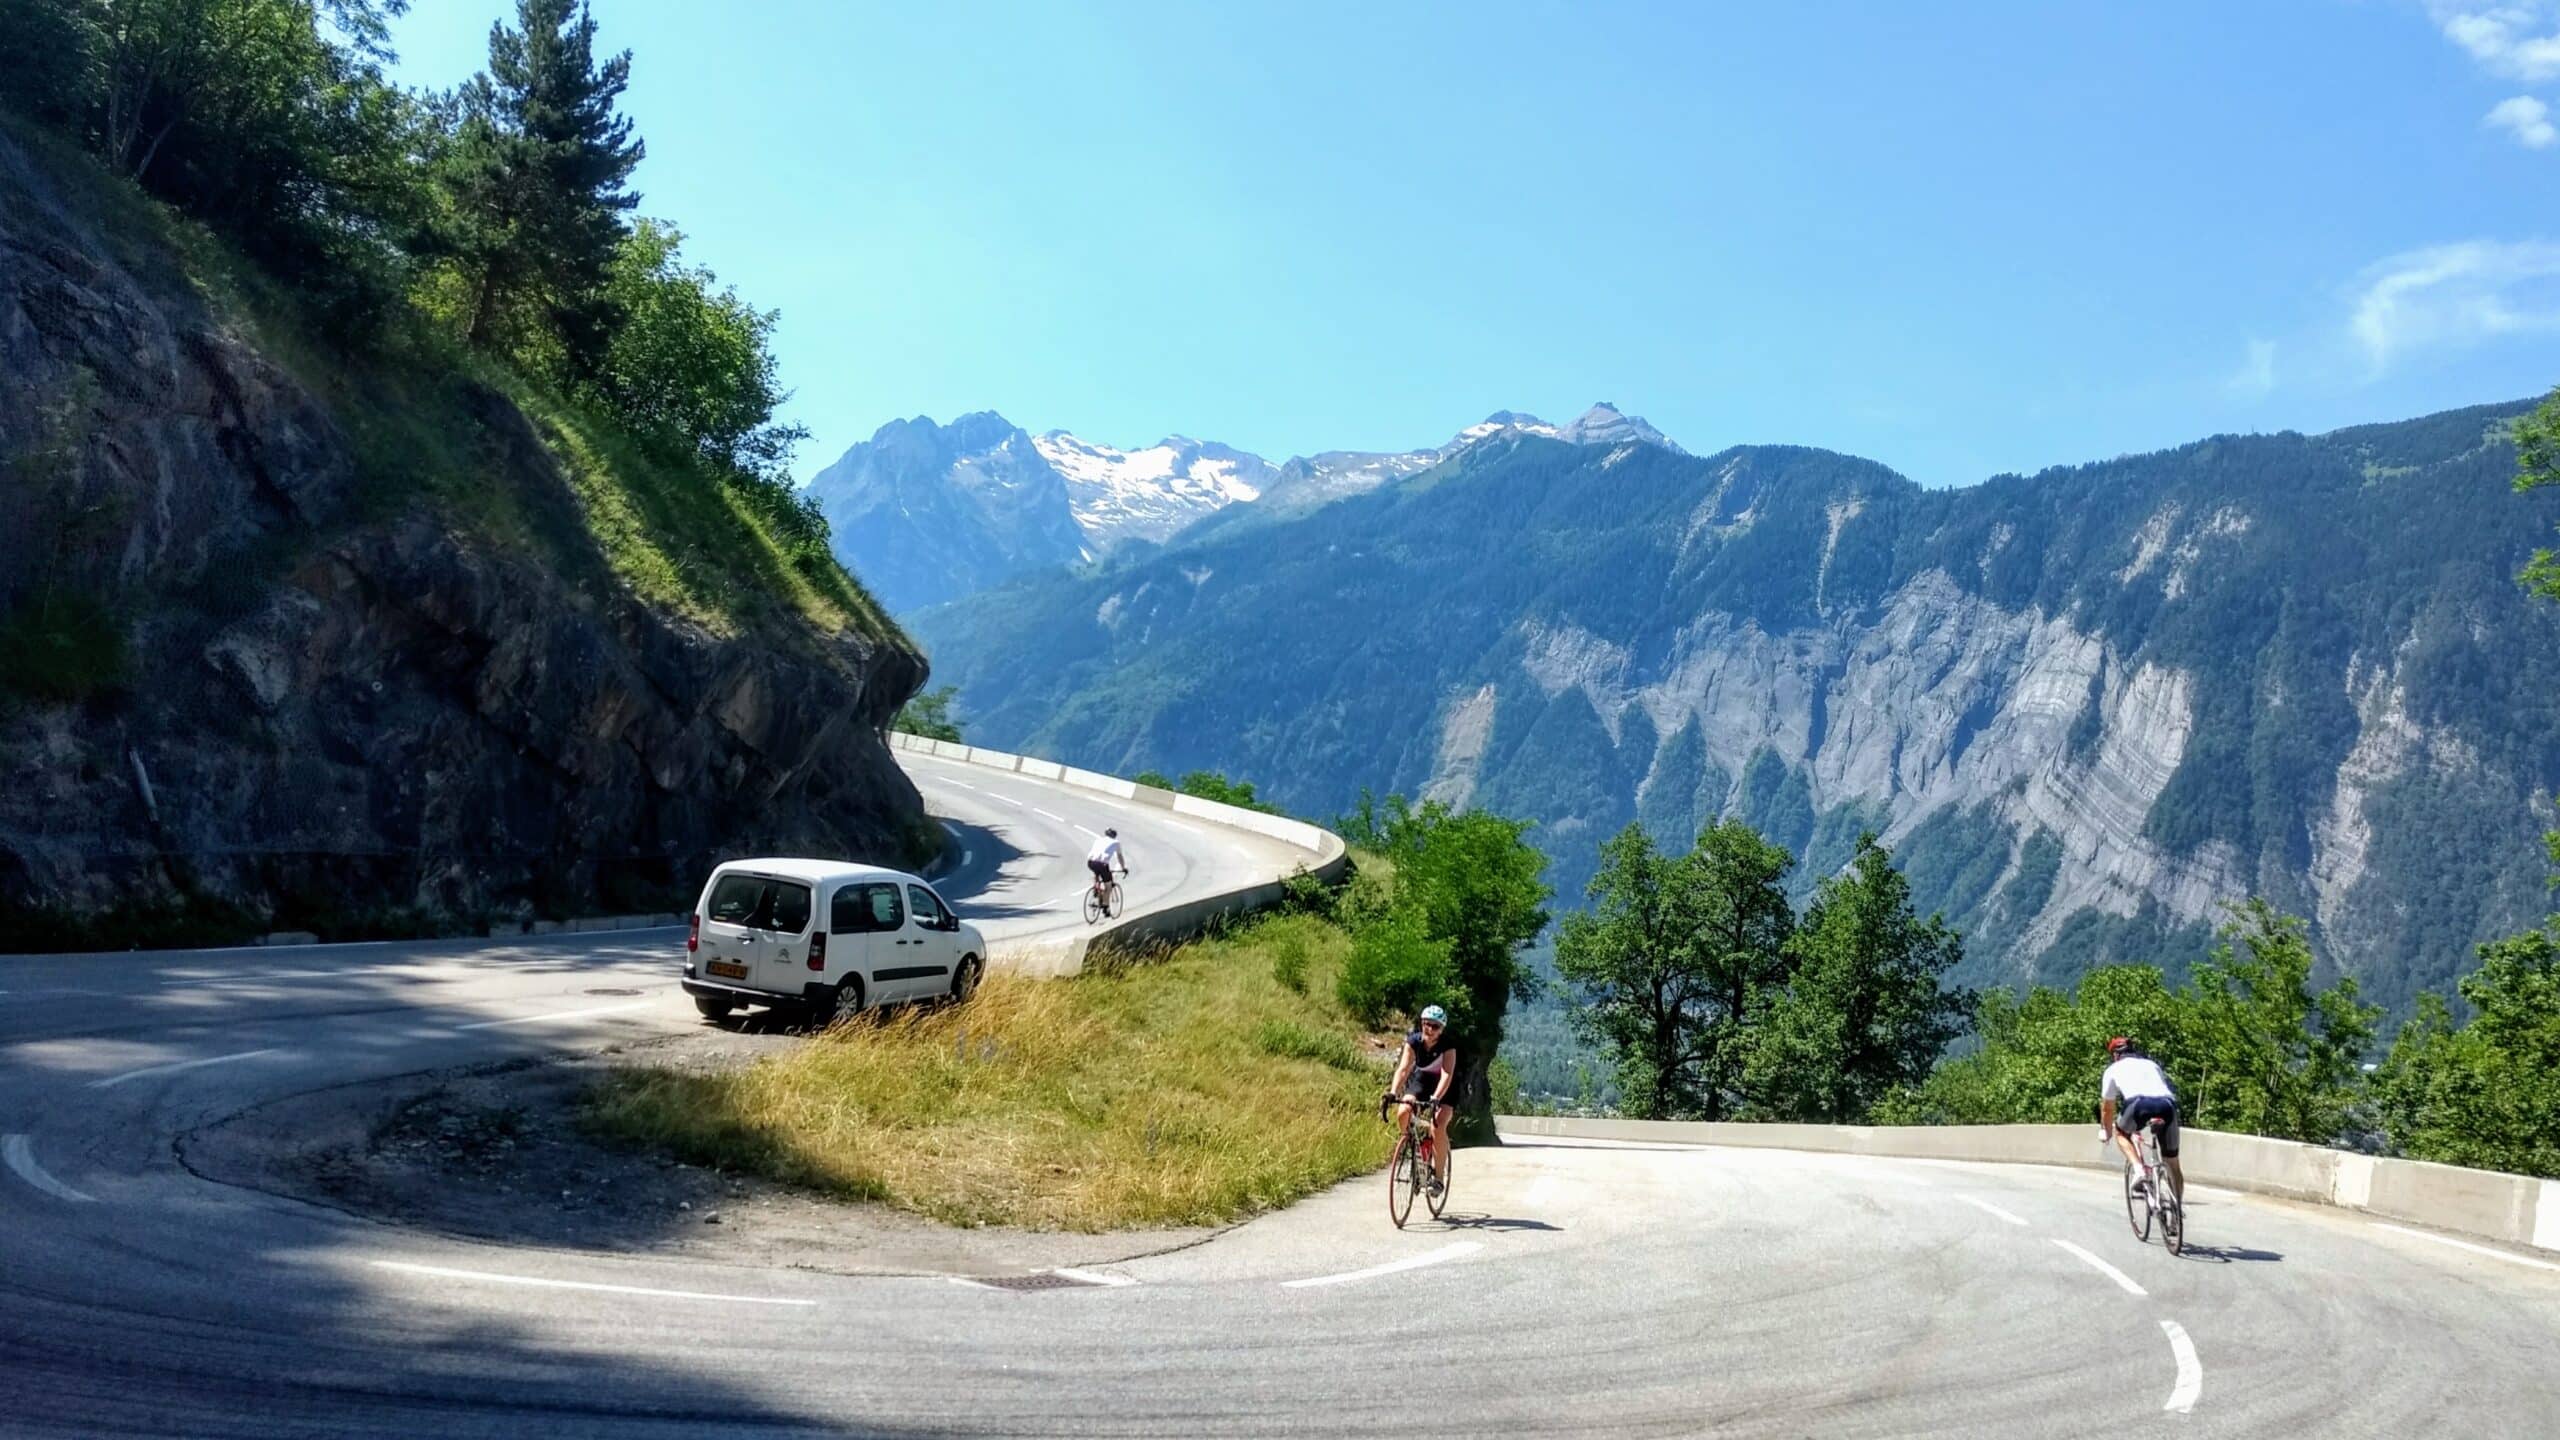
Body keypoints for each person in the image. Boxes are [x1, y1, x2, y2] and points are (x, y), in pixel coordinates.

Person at [2098, 1036, 2183, 1204]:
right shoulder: (2152, 1065)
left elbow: (2108, 1108)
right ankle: (2177, 1211)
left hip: (2139, 1104)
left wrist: (2106, 1130)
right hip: (2167, 1105)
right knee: (2172, 1163)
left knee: (2121, 1133)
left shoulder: (2113, 1069)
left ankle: (2139, 1170)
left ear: (2115, 1055)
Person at [1385, 1004, 1457, 1193]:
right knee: (1403, 1111)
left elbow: (1446, 1074)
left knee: (1438, 1126)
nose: (1429, 1029)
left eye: (1434, 1026)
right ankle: (1410, 1146)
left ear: (1441, 1029)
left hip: (1445, 1086)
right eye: (1426, 1024)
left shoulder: (1447, 1046)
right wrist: (1393, 1092)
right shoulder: (1413, 1041)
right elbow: (1403, 1068)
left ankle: (1439, 1178)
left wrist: (1436, 1098)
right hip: (1422, 1079)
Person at [1085, 828, 1127, 903]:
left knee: (1096, 871)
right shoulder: (1116, 842)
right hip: (1102, 864)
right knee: (1108, 886)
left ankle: (1096, 889)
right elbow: (1119, 856)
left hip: (1090, 862)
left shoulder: (1098, 840)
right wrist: (1123, 868)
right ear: (1114, 836)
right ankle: (1106, 907)